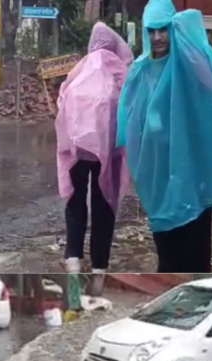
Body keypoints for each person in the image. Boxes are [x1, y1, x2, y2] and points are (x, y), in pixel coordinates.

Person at [117, 0, 212, 273]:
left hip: (194, 174)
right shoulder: (141, 70)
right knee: (167, 248)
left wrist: (191, 43)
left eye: (163, 29)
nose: (157, 37)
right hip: (158, 173)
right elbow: (128, 119)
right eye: (151, 30)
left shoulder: (192, 63)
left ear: (173, 28)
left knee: (196, 246)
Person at [56, 22, 134, 274]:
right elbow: (130, 105)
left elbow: (62, 101)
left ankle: (73, 258)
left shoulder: (80, 69)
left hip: (77, 149)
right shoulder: (118, 70)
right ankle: (99, 263)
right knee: (104, 202)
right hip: (107, 151)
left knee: (76, 199)